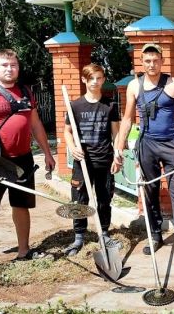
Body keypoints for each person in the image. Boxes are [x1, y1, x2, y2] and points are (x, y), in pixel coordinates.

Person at [0, 49, 56, 270]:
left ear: (18, 67)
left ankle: (24, 250)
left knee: (21, 206)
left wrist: (47, 153)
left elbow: (35, 124)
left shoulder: (25, 91)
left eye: (13, 65)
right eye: (4, 65)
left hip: (22, 160)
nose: (9, 69)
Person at [114, 44, 174, 264]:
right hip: (146, 145)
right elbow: (128, 119)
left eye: (155, 60)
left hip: (171, 145)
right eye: (147, 61)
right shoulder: (134, 86)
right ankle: (156, 235)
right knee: (150, 192)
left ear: (161, 61)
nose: (152, 64)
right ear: (142, 62)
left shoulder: (173, 84)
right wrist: (119, 148)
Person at [63, 64, 122, 256]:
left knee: (104, 199)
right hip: (83, 162)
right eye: (91, 78)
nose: (95, 82)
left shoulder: (110, 105)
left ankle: (103, 232)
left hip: (104, 160)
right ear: (84, 80)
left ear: (103, 79)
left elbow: (116, 134)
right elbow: (67, 131)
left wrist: (117, 156)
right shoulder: (75, 106)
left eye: (99, 78)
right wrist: (72, 148)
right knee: (79, 200)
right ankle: (79, 236)